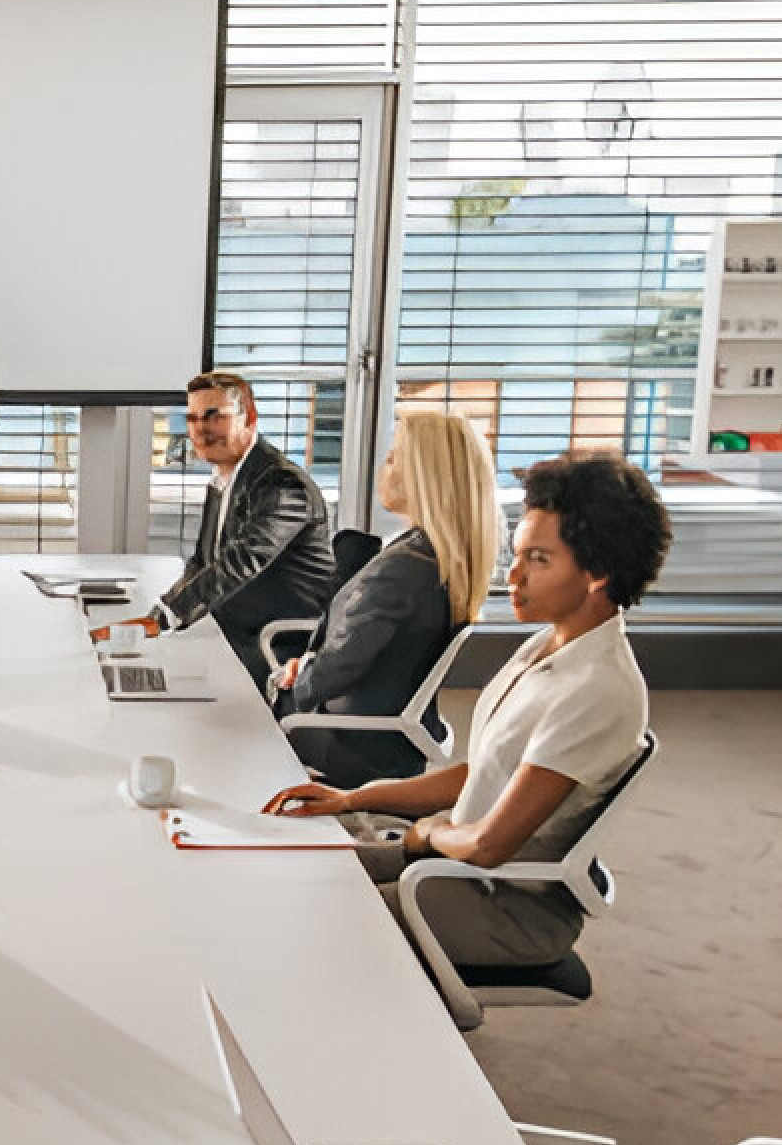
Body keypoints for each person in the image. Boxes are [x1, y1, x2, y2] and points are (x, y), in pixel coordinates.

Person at [264, 450, 669, 972]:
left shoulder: (596, 690)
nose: (514, 575)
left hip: (502, 901)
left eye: (539, 560)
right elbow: (482, 774)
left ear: (599, 574)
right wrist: (350, 799)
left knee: (308, 922)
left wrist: (426, 832)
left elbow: (487, 845)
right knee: (289, 868)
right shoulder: (547, 648)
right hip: (451, 865)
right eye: (518, 554)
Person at [271, 409, 504, 786]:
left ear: (424, 477)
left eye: (395, 456)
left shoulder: (403, 569)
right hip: (385, 733)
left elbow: (334, 674)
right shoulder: (437, 557)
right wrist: (309, 665)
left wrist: (289, 679)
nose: (384, 466)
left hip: (351, 740)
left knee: (233, 716)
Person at [95, 371, 334, 681]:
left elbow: (238, 563)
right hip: (232, 627)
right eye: (192, 418)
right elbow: (203, 562)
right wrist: (160, 614)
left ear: (249, 417)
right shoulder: (225, 476)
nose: (200, 430)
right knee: (122, 667)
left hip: (273, 645)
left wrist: (164, 620)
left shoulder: (281, 485)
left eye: (213, 416)